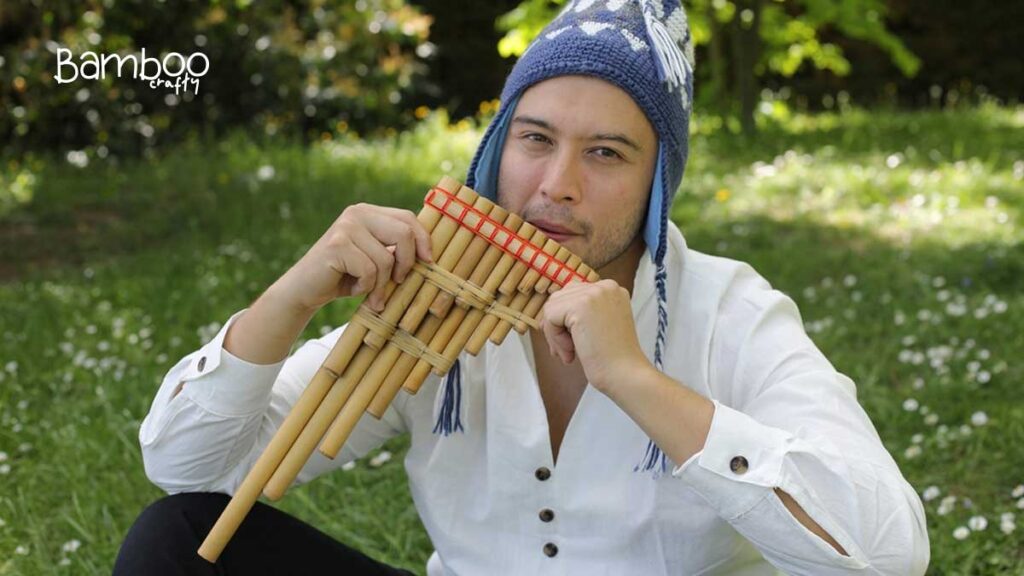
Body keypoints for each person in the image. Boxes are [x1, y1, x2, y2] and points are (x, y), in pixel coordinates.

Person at [114, 1, 930, 574]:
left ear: (658, 184)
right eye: (534, 140)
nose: (556, 186)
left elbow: (886, 554)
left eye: (606, 154)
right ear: (498, 147)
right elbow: (191, 470)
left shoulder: (733, 316)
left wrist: (636, 381)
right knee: (175, 539)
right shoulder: (439, 299)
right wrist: (289, 297)